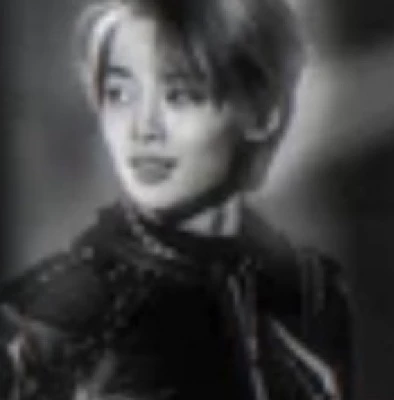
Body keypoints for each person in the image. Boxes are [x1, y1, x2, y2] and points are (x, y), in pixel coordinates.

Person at [0, 0, 352, 399]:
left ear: (262, 112)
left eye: (179, 95)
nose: (142, 128)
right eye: (119, 94)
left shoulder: (308, 292)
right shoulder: (60, 313)